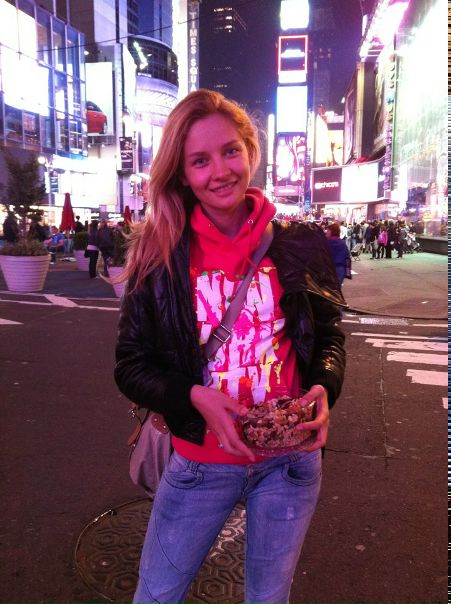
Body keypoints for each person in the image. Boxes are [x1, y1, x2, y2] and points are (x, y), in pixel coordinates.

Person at [114, 89, 346, 604]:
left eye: (230, 151)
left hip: (290, 462)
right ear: (182, 173)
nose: (220, 171)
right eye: (200, 160)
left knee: (269, 599)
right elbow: (130, 365)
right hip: (201, 462)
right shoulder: (160, 254)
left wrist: (324, 388)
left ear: (249, 151)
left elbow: (329, 335)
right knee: (156, 596)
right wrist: (191, 396)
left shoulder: (298, 243)